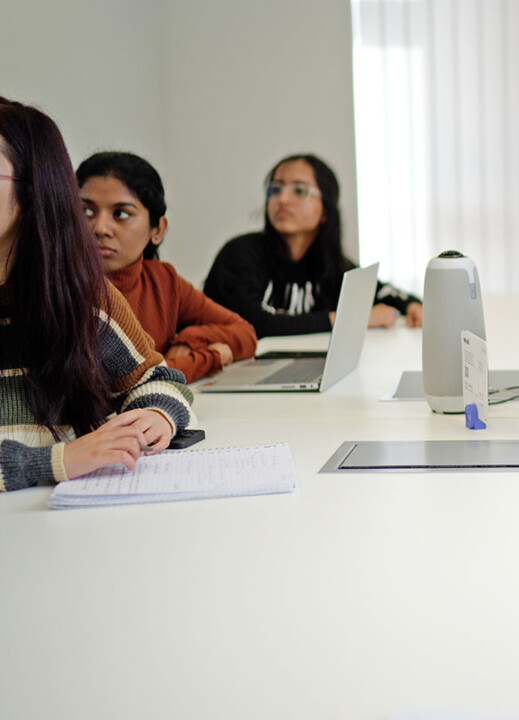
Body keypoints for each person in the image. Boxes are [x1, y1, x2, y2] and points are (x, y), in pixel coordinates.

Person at [0, 98, 193, 490]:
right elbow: (64, 461)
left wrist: (153, 415)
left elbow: (157, 381)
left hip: (60, 521)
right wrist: (58, 461)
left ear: (34, 189)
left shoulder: (80, 295)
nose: (103, 228)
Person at [77, 151, 257, 382]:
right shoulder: (61, 288)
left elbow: (245, 334)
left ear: (158, 230)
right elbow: (120, 383)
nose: (100, 228)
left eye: (120, 213)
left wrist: (189, 339)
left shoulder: (163, 280)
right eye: (86, 211)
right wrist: (210, 357)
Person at [203, 153, 423, 337]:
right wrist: (345, 319)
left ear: (325, 210)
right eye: (275, 189)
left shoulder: (330, 265)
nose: (283, 199)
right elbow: (252, 324)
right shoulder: (240, 255)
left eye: (299, 190)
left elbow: (382, 292)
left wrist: (411, 305)